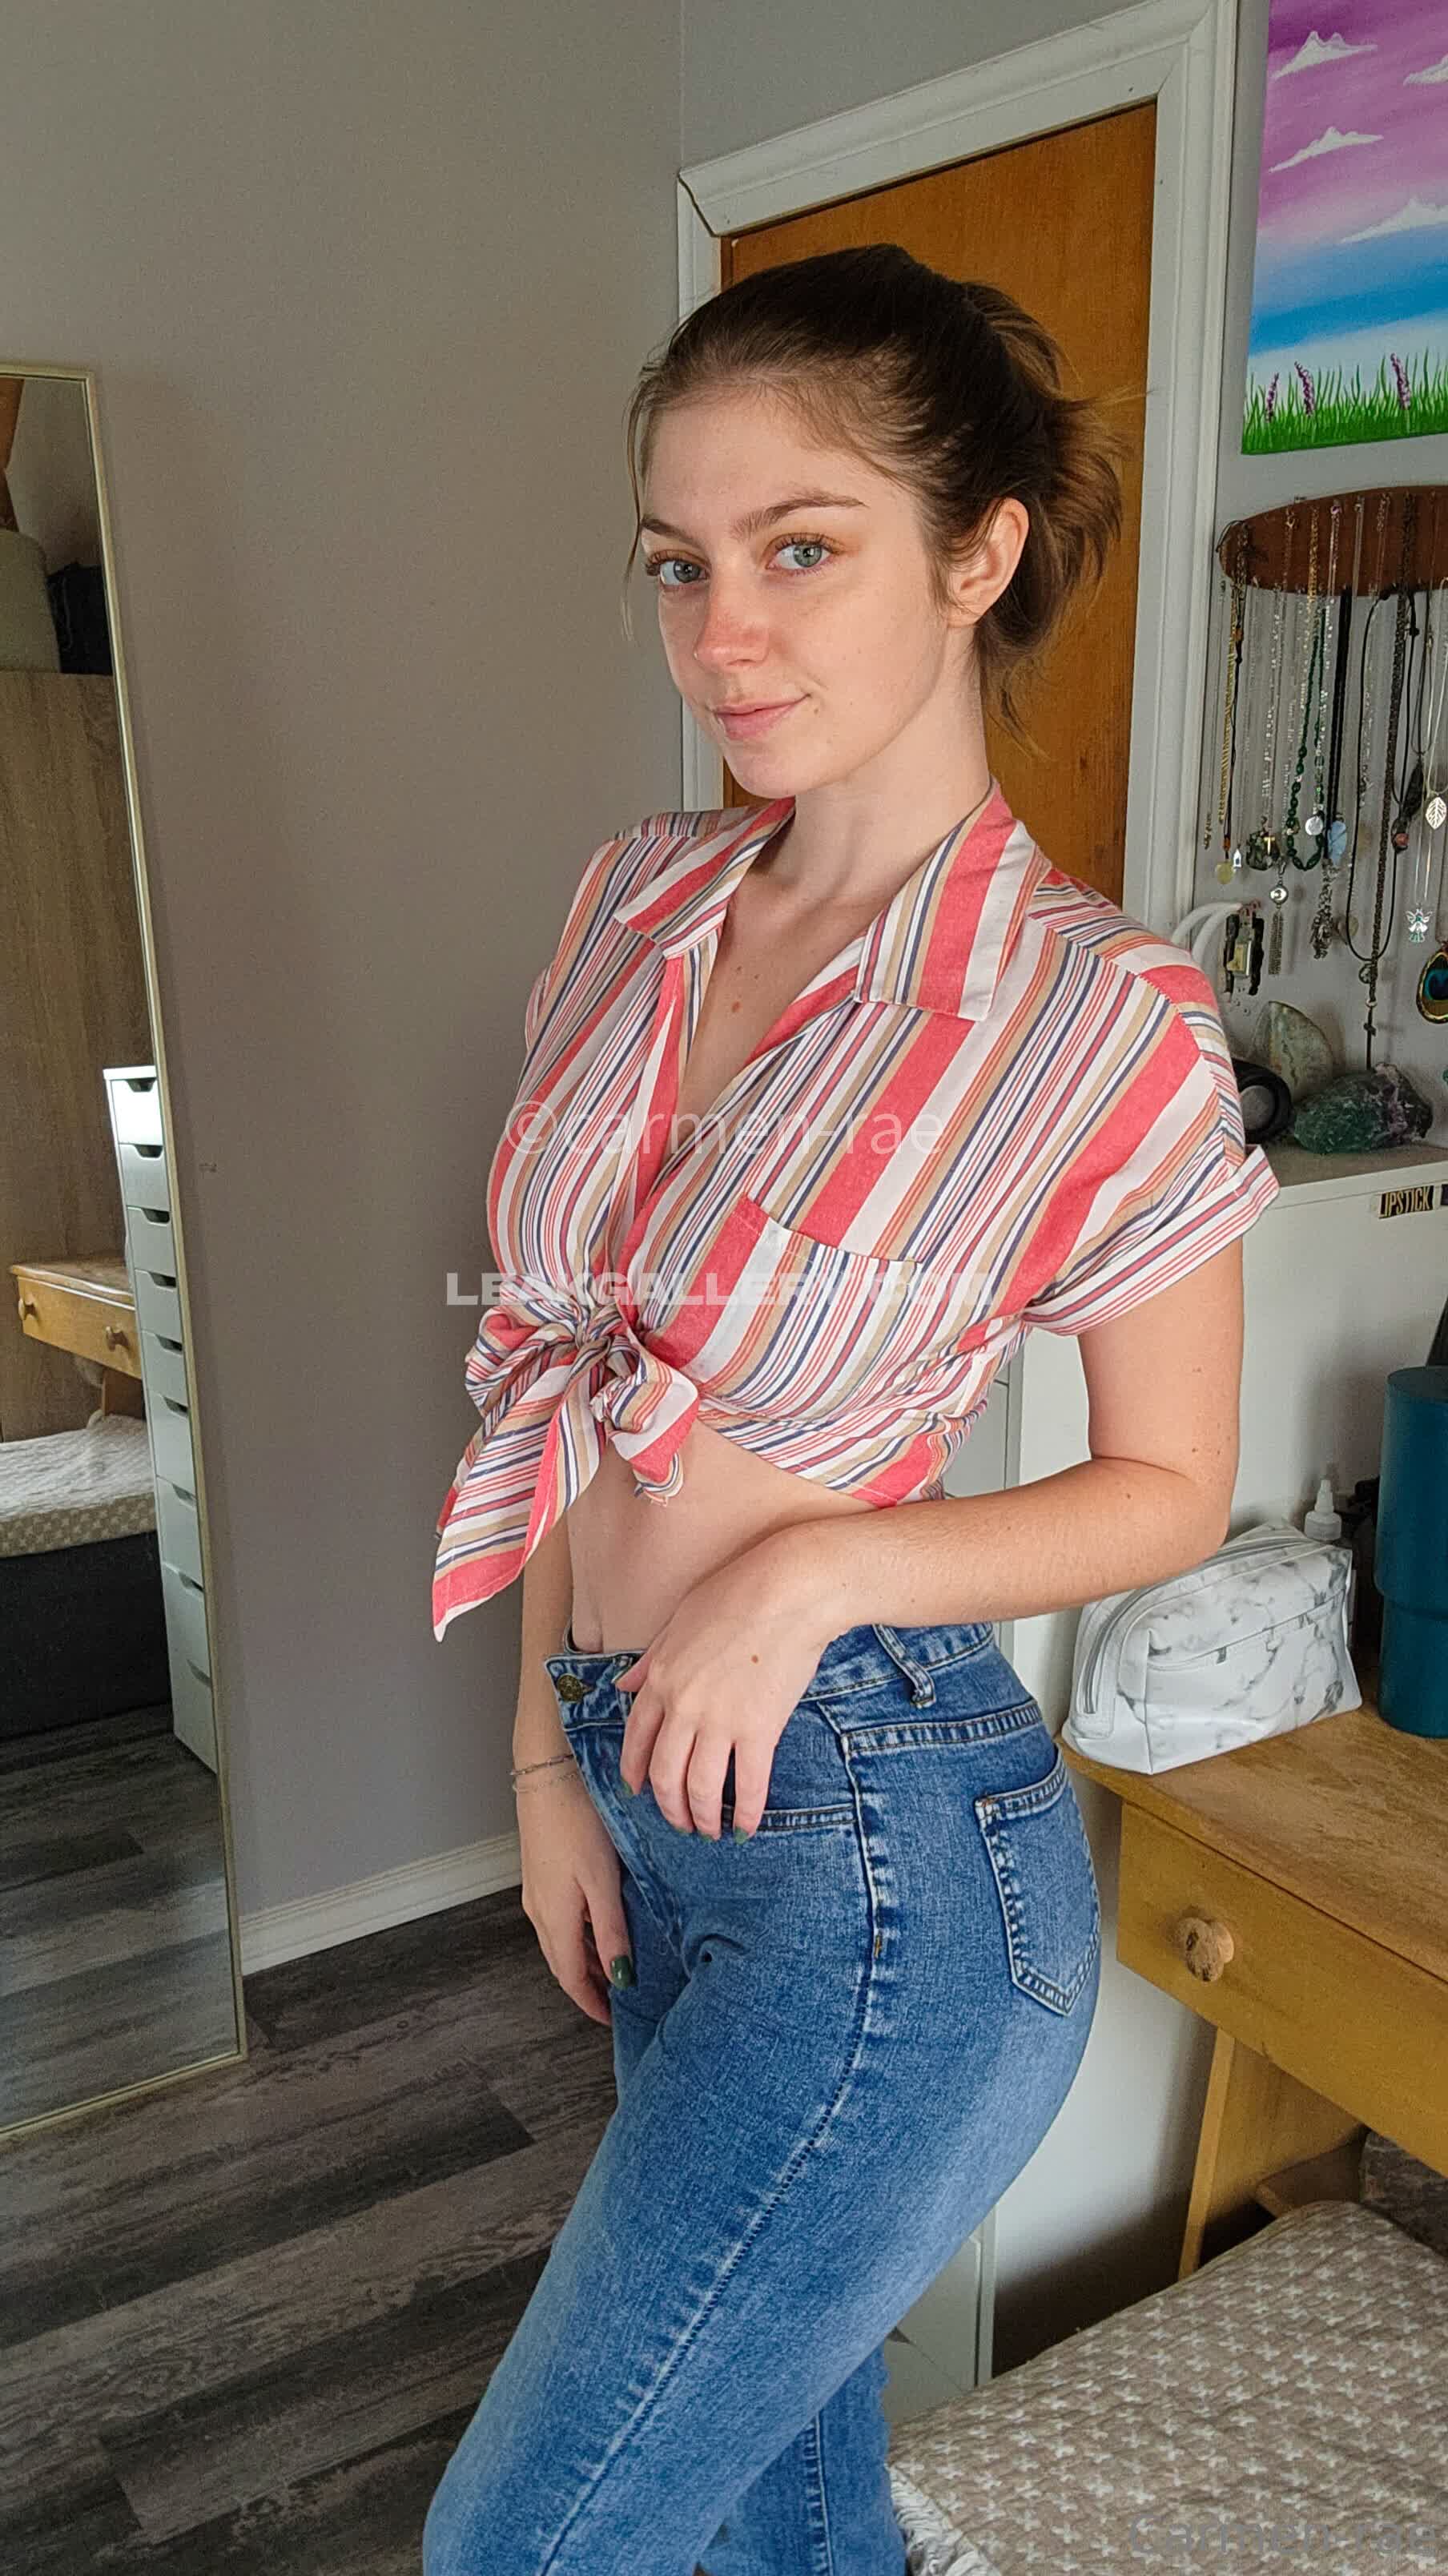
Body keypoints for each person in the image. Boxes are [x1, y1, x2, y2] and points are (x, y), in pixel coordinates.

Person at [423, 244, 1278, 2575]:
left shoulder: (1096, 1010)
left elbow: (1171, 1487)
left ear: (978, 553)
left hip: (884, 1858)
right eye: (678, 564)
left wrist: (817, 1569)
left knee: (523, 2546)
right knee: (776, 2507)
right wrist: (546, 1764)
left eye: (801, 548)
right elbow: (559, 1375)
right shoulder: (636, 904)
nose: (725, 633)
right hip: (641, 1781)